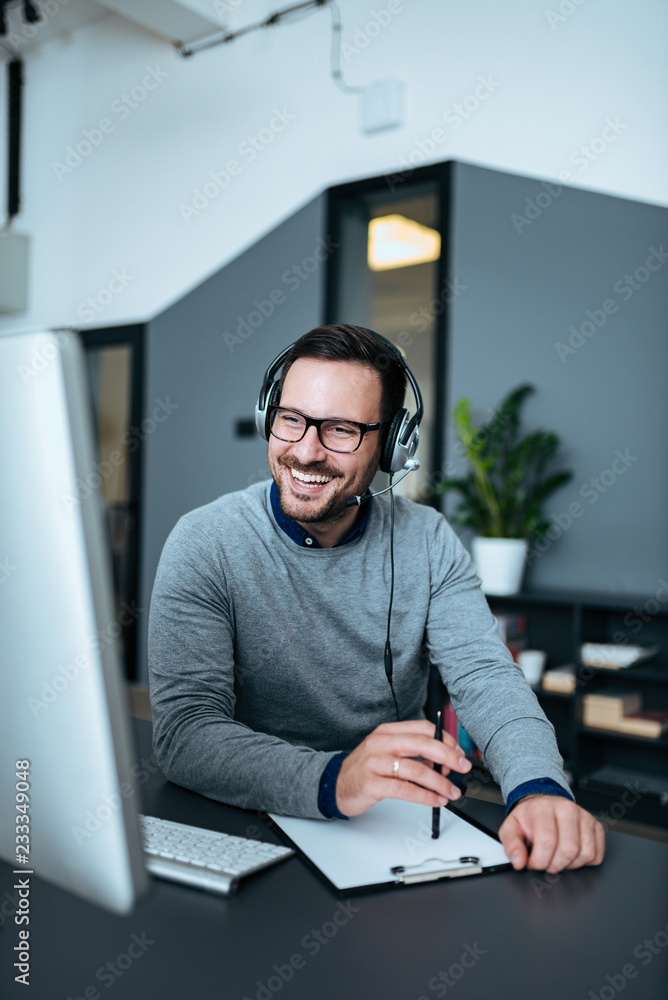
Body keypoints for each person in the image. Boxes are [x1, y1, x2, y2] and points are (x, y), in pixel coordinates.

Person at [148, 324, 605, 875]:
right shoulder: (205, 542)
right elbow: (186, 732)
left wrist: (538, 789)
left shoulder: (429, 539)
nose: (306, 452)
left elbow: (487, 677)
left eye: (341, 429)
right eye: (291, 419)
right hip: (247, 823)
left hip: (398, 827)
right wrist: (337, 778)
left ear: (392, 445)